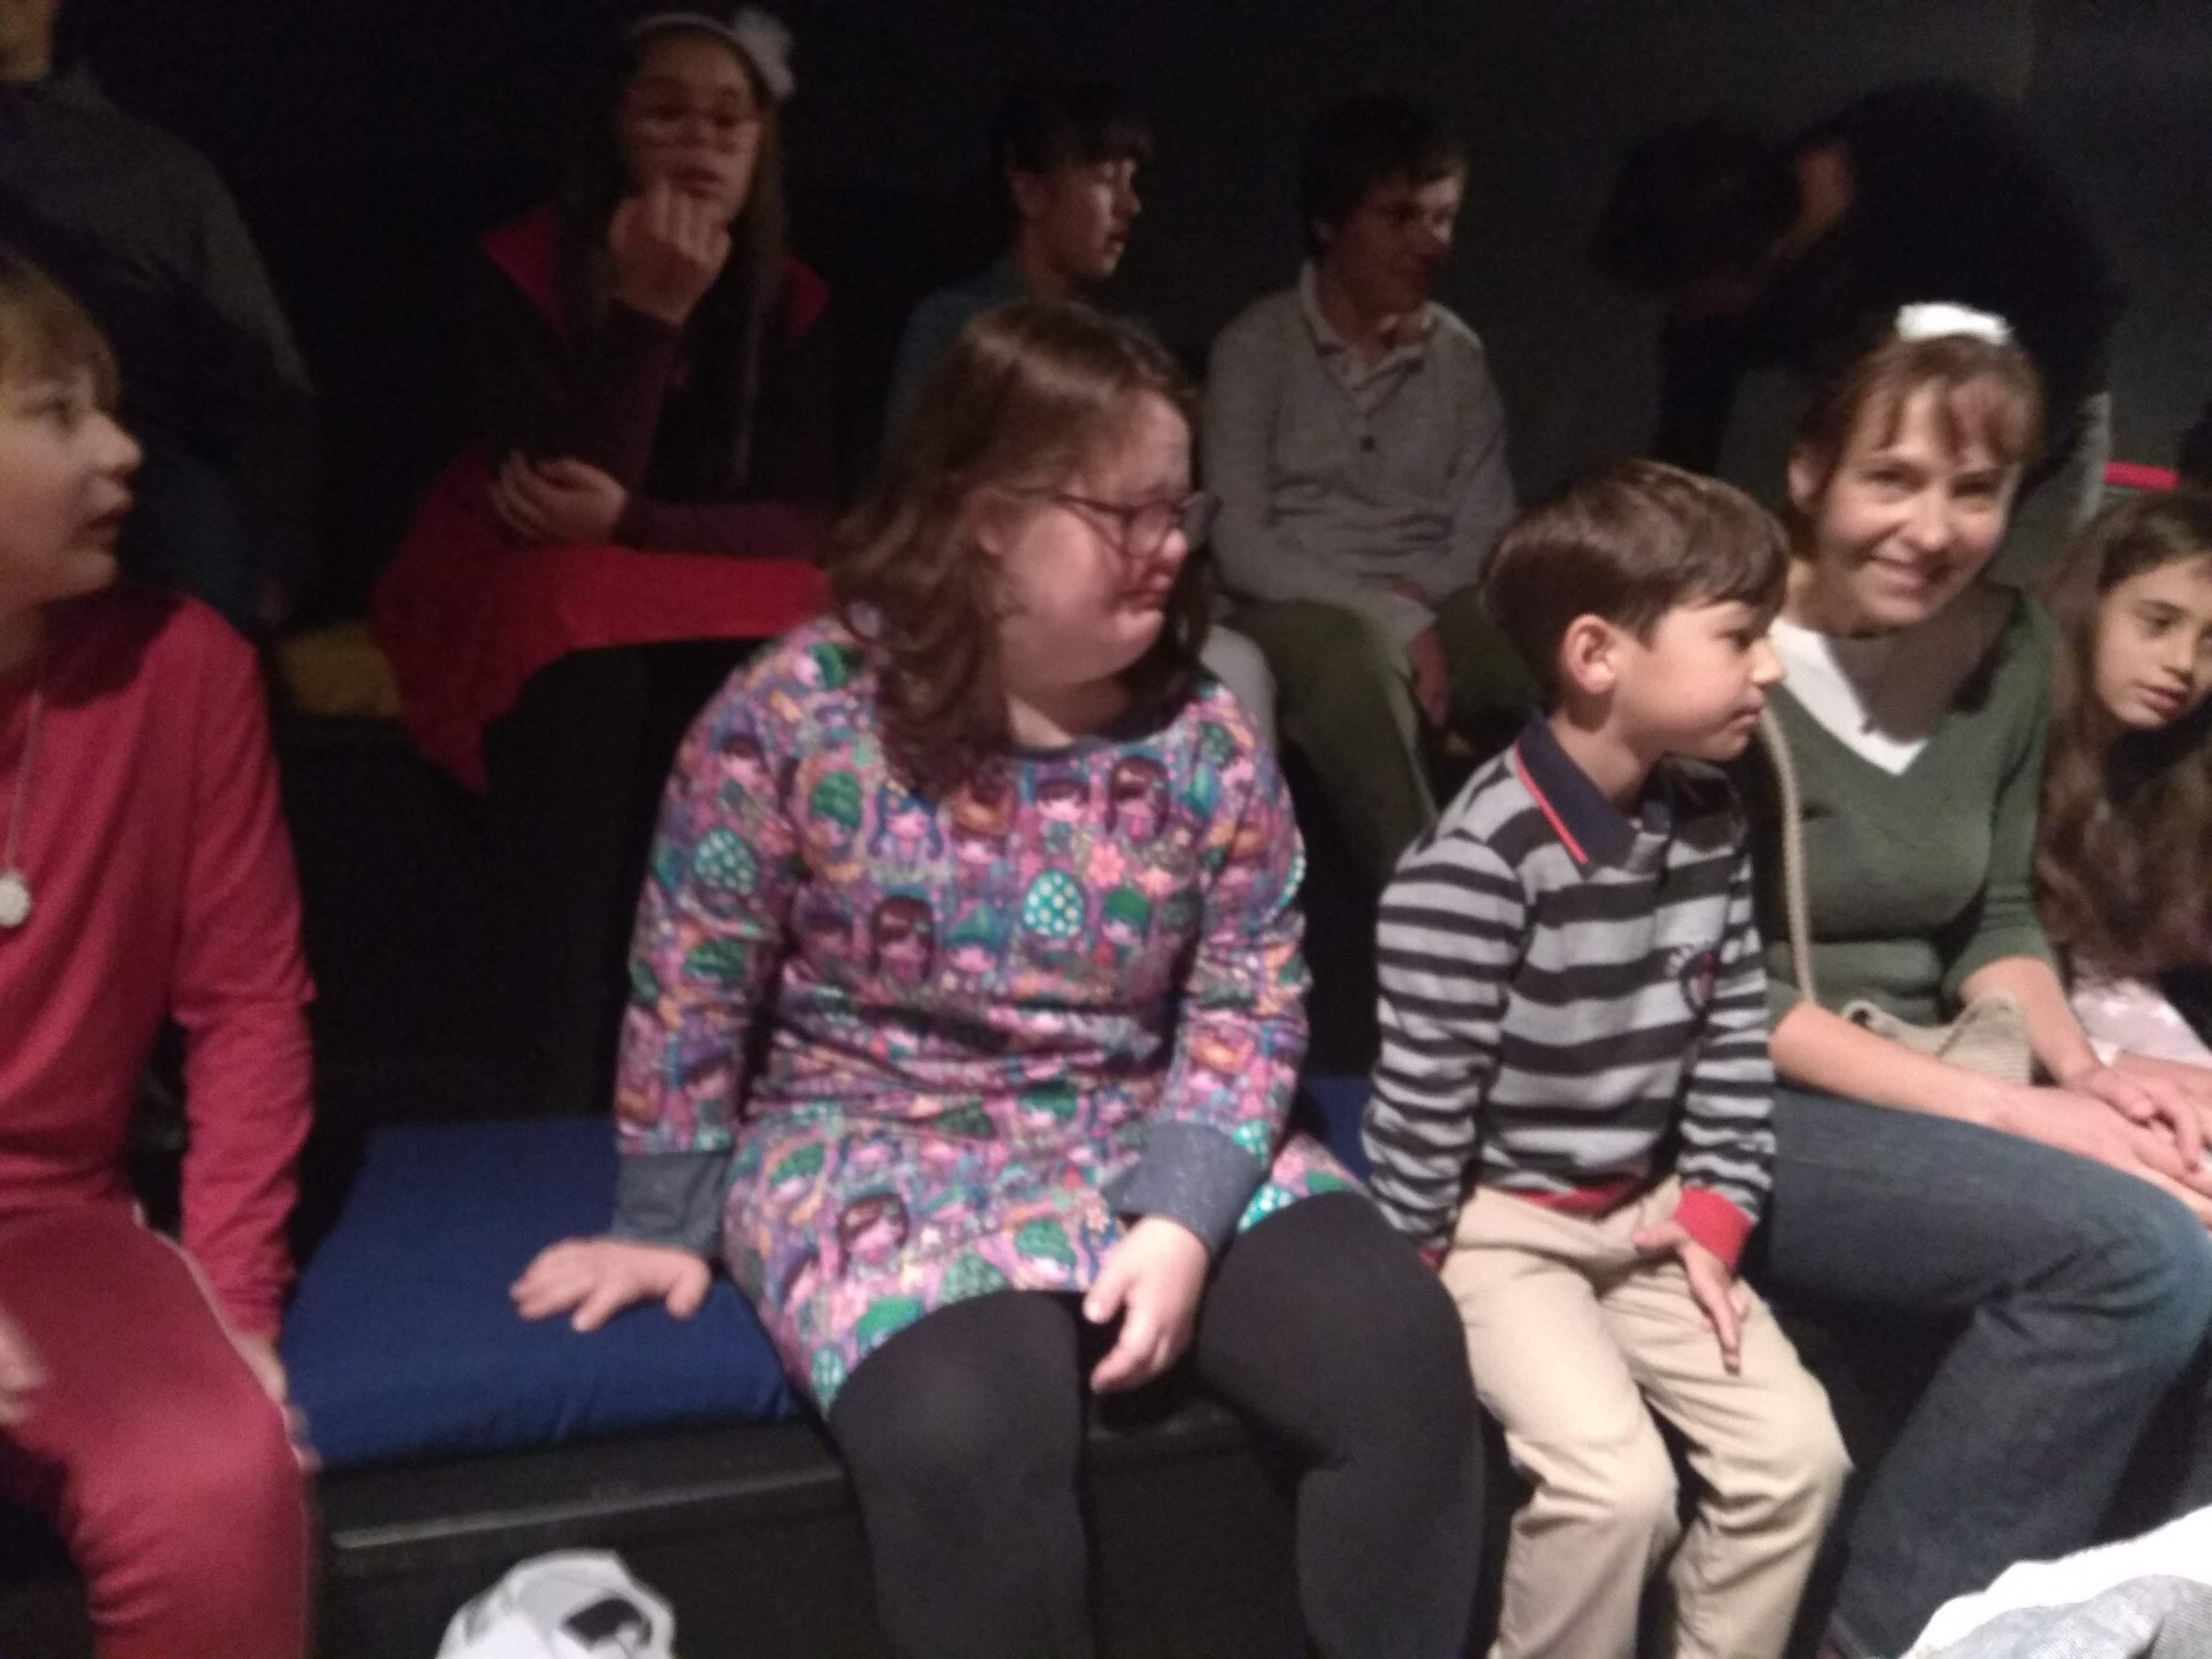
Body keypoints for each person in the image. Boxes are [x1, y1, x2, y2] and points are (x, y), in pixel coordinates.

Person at [512, 301, 1484, 1658]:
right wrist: (662, 1215)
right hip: (874, 1136)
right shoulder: (799, 710)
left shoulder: (1205, 739)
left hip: (1142, 1115)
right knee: (963, 1429)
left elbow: (1249, 1002)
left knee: (1400, 1349)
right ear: (982, 516)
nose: (1168, 548)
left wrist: (1183, 1214)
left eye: (1178, 510)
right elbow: (694, 969)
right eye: (1125, 513)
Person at [1728, 304, 2212, 1659]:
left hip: (1935, 1064)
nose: (1931, 528)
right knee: (2131, 1254)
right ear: (1809, 470)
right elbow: (1723, 996)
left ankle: (2130, 1618)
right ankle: (1893, 1636)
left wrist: (2095, 1081)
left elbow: (1995, 918)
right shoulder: (1722, 652)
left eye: (1976, 489)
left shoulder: (2006, 649)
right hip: (1742, 1097)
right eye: (1892, 477)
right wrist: (2024, 1113)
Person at [1364, 460, 1846, 1659]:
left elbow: (1728, 1030)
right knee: (1614, 1491)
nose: (1771, 668)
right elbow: (1425, 1100)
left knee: (1798, 1458)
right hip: (1501, 1228)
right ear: (1596, 656)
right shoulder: (1478, 864)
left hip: (1647, 1213)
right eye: (1737, 637)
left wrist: (1719, 1204)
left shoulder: (1709, 818)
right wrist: (1410, 1272)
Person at [372, 4, 834, 1117]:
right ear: (614, 130)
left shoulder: (795, 294)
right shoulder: (524, 265)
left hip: (683, 550)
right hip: (549, 557)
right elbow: (555, 495)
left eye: (729, 120)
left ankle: (752, 1058)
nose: (700, 142)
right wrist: (650, 311)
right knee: (575, 615)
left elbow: (813, 519)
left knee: (820, 622)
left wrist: (639, 521)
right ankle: (559, 1076)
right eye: (666, 113)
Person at [0, 248, 311, 1657]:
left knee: (217, 1480)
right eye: (57, 413)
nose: (122, 449)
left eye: (111, 406)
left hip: (52, 1222)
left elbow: (248, 1007)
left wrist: (236, 1308)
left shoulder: (184, 672)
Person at [1594, 84, 2120, 593]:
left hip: (2043, 406)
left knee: (1989, 613)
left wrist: (1996, 479)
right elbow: (1683, 460)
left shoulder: (1938, 150)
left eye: (1688, 291)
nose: (1687, 310)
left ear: (1749, 256)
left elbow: (2083, 304)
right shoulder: (1721, 303)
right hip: (1903, 447)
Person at [884, 79, 1277, 744]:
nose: (1130, 204)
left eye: (1133, 181)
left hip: (1120, 621)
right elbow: (915, 497)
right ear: (1030, 191)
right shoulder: (957, 329)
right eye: (1103, 178)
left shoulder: (1130, 347)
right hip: (982, 615)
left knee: (1236, 669)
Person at [1205, 91, 1524, 893]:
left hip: (1431, 593)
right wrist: (1386, 613)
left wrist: (1415, 600)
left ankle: (1588, 894)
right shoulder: (1256, 347)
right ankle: (1430, 908)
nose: (1430, 243)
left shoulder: (1456, 355)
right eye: (1400, 217)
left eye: (1444, 219)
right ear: (1328, 222)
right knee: (1353, 659)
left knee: (1536, 644)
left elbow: (1488, 529)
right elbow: (1240, 543)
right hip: (1297, 605)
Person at [0, 0, 319, 632]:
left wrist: (281, 555)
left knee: (190, 506)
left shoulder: (153, 173)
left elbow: (263, 388)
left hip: (140, 496)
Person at [2036, 492, 2212, 1067]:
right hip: (2034, 1048)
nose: (2182, 662)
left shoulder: (2171, 774)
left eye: (2210, 642)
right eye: (2158, 624)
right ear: (2090, 606)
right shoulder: (2014, 743)